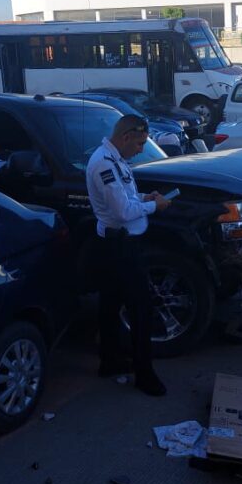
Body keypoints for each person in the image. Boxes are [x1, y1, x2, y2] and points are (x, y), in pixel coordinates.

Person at [85, 114, 172, 397]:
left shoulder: (115, 159)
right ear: (125, 137)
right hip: (119, 248)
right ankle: (144, 374)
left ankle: (109, 361)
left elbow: (124, 198)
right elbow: (122, 212)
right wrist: (154, 207)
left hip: (118, 245)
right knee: (140, 309)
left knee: (110, 305)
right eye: (140, 143)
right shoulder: (104, 165)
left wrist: (145, 197)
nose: (141, 149)